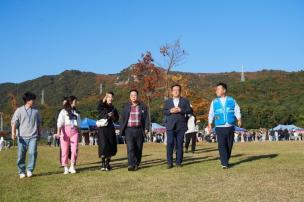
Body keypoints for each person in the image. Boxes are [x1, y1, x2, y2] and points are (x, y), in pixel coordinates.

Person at [208, 83, 241, 169]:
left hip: (230, 126)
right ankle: (224, 163)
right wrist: (209, 123)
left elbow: (237, 109)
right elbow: (211, 113)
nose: (216, 91)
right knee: (221, 145)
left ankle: (226, 159)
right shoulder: (214, 101)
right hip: (219, 127)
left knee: (229, 145)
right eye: (216, 89)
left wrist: (239, 119)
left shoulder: (231, 100)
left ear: (224, 90)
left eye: (218, 89)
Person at [11, 92, 42, 179]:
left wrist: (39, 133)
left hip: (33, 136)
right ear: (28, 100)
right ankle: (21, 171)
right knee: (21, 155)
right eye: (33, 99)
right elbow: (14, 123)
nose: (34, 101)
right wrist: (13, 133)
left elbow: (39, 123)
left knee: (32, 153)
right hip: (22, 137)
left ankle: (29, 170)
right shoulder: (19, 110)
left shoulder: (36, 111)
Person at [120, 89, 149, 171]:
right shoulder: (126, 106)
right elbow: (122, 119)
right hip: (128, 130)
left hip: (139, 129)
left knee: (139, 148)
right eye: (132, 95)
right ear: (130, 97)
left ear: (137, 96)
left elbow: (146, 118)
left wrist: (146, 128)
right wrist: (122, 129)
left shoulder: (143, 106)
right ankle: (130, 164)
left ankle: (136, 163)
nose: (133, 97)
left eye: (135, 95)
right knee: (130, 147)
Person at [164, 84, 192, 169]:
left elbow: (190, 110)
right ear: (171, 92)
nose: (176, 91)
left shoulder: (185, 101)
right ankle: (169, 162)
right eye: (174, 90)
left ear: (180, 91)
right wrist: (170, 111)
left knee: (179, 144)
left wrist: (181, 110)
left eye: (178, 90)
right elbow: (164, 112)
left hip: (181, 125)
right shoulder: (168, 101)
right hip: (170, 125)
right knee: (170, 144)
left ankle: (178, 162)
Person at [56, 96, 81, 174]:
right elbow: (59, 122)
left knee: (74, 149)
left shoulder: (76, 112)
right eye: (74, 101)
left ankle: (72, 166)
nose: (76, 103)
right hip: (65, 132)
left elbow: (79, 124)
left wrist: (79, 133)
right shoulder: (63, 111)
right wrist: (58, 132)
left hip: (75, 131)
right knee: (64, 150)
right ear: (70, 102)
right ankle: (65, 167)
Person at [96, 92, 119, 171]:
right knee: (103, 145)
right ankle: (103, 164)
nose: (109, 98)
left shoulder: (114, 108)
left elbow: (116, 119)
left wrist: (112, 116)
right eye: (108, 97)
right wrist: (103, 100)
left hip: (110, 128)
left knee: (111, 145)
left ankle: (107, 163)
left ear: (112, 98)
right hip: (102, 128)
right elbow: (99, 107)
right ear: (105, 98)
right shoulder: (102, 106)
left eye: (111, 97)